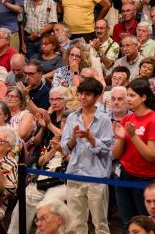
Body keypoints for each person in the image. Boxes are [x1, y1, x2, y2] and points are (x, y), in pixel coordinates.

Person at [58, 77, 112, 234]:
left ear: (96, 97)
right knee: (76, 223)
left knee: (100, 223)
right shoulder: (72, 117)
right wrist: (74, 138)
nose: (82, 97)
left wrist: (89, 138)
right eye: (80, 94)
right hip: (74, 174)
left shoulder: (104, 120)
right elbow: (65, 148)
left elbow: (106, 149)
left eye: (87, 94)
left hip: (97, 176)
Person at [112, 79, 155, 231]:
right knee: (126, 223)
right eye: (127, 95)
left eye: (132, 95)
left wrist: (133, 136)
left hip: (145, 178)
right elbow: (116, 154)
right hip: (124, 174)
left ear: (143, 97)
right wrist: (121, 138)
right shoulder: (127, 119)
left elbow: (151, 156)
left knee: (145, 224)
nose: (128, 99)